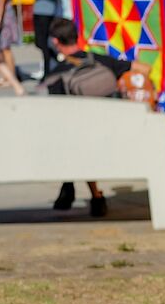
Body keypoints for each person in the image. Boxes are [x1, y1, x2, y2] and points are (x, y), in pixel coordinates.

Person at [41, 17, 125, 215]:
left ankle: (78, 189)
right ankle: (81, 191)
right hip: (117, 132)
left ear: (55, 42)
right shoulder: (100, 61)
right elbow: (141, 69)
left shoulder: (57, 74)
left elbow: (54, 115)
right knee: (80, 136)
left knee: (70, 136)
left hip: (83, 140)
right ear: (77, 37)